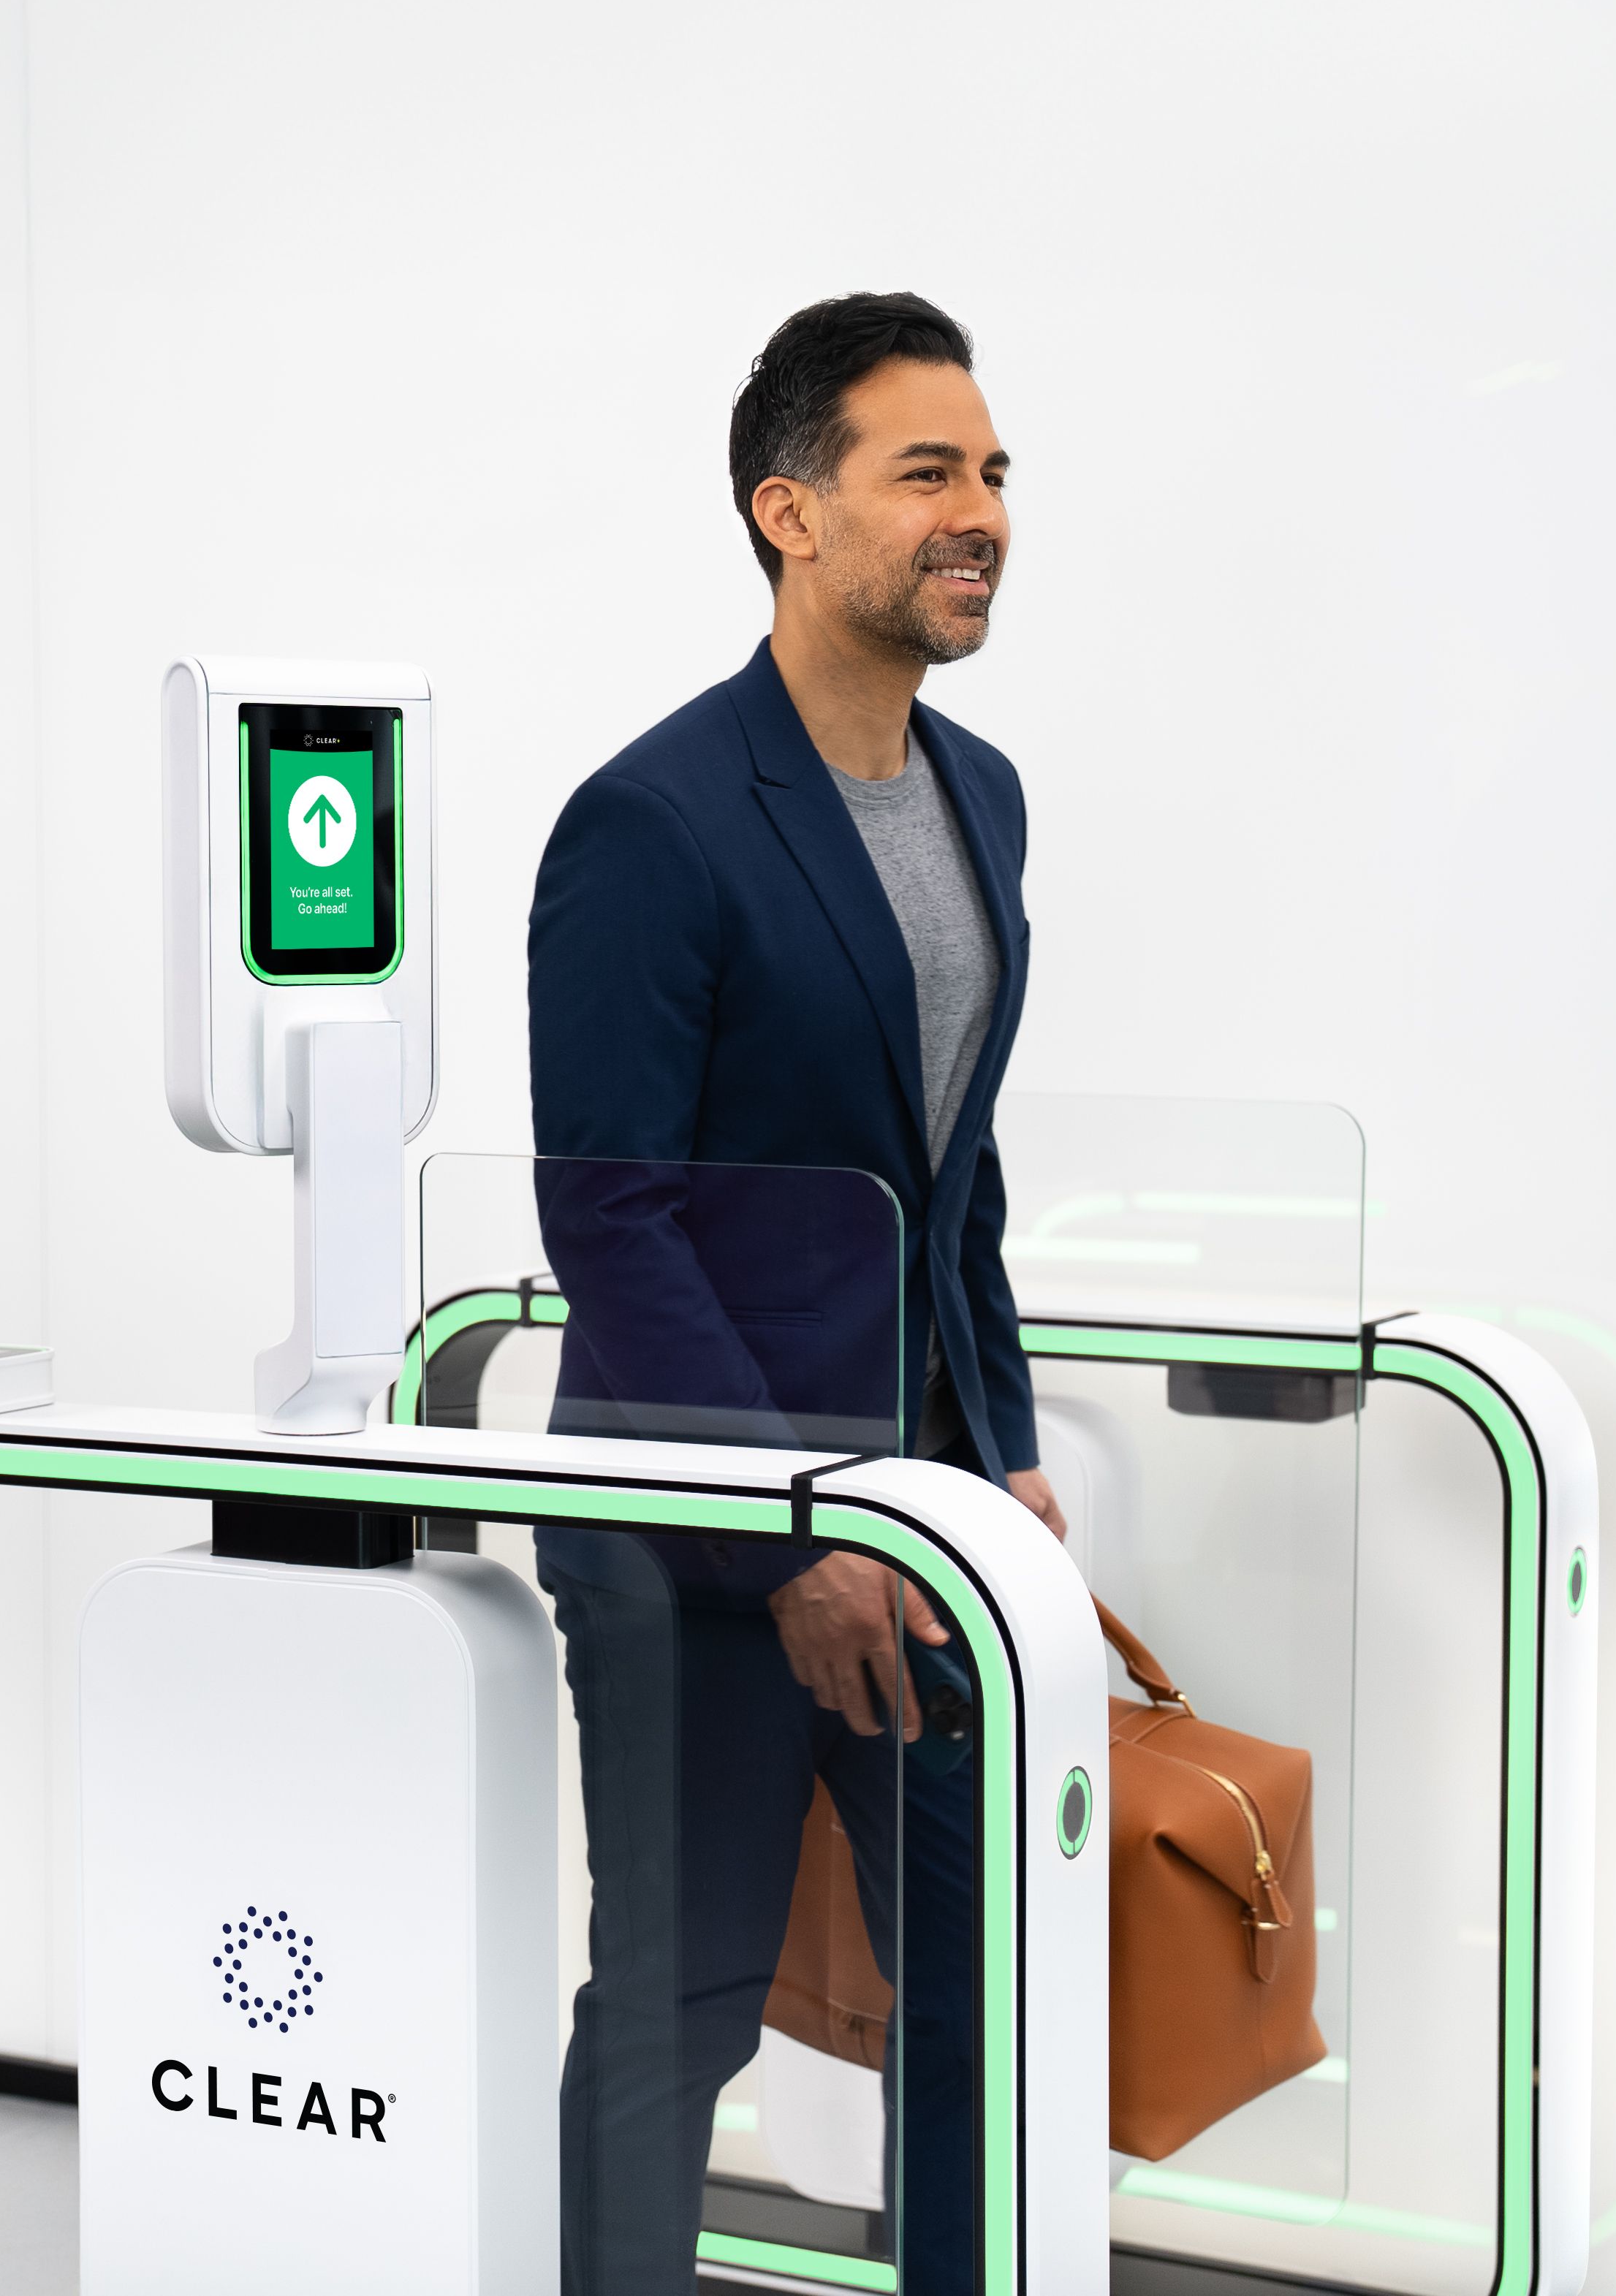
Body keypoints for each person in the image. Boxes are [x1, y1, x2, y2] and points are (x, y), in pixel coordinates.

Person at [526, 292, 1064, 2296]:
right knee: (683, 2005)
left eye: (995, 470)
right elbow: (617, 1227)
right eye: (928, 469)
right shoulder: (653, 825)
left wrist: (988, 1459)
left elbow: (954, 1177)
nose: (981, 510)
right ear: (789, 511)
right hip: (704, 1542)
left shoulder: (981, 796)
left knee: (984, 1978)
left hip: (924, 1532)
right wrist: (793, 1534)